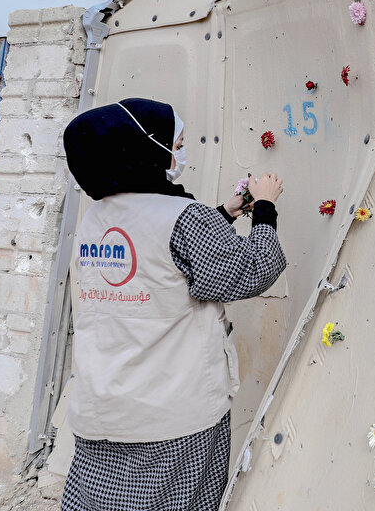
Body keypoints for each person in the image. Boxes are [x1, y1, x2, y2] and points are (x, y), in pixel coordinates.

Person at [60, 98, 287, 511]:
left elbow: (160, 259)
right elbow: (252, 270)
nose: (179, 153)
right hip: (171, 415)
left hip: (102, 407)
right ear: (146, 147)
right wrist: (265, 208)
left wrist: (226, 213)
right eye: (176, 143)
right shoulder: (184, 217)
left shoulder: (96, 218)